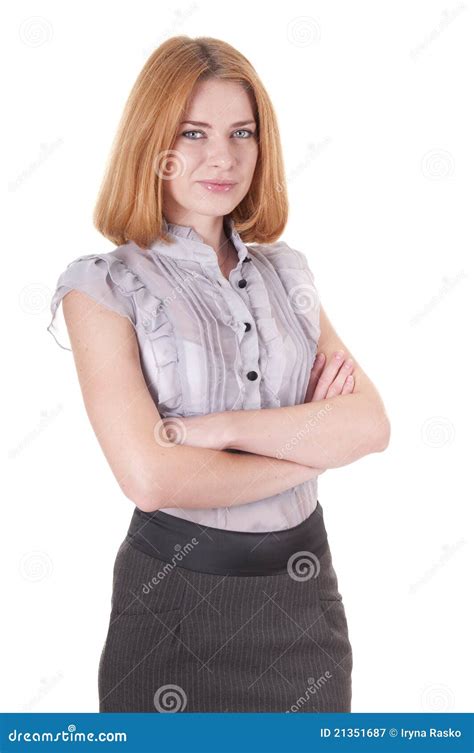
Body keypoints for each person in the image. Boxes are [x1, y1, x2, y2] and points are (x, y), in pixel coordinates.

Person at [47, 36, 390, 713]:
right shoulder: (104, 287)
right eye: (194, 132)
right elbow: (152, 477)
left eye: (242, 133)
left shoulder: (287, 274)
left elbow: (370, 425)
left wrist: (221, 431)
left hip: (303, 603)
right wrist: (311, 450)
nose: (223, 156)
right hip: (172, 610)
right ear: (154, 141)